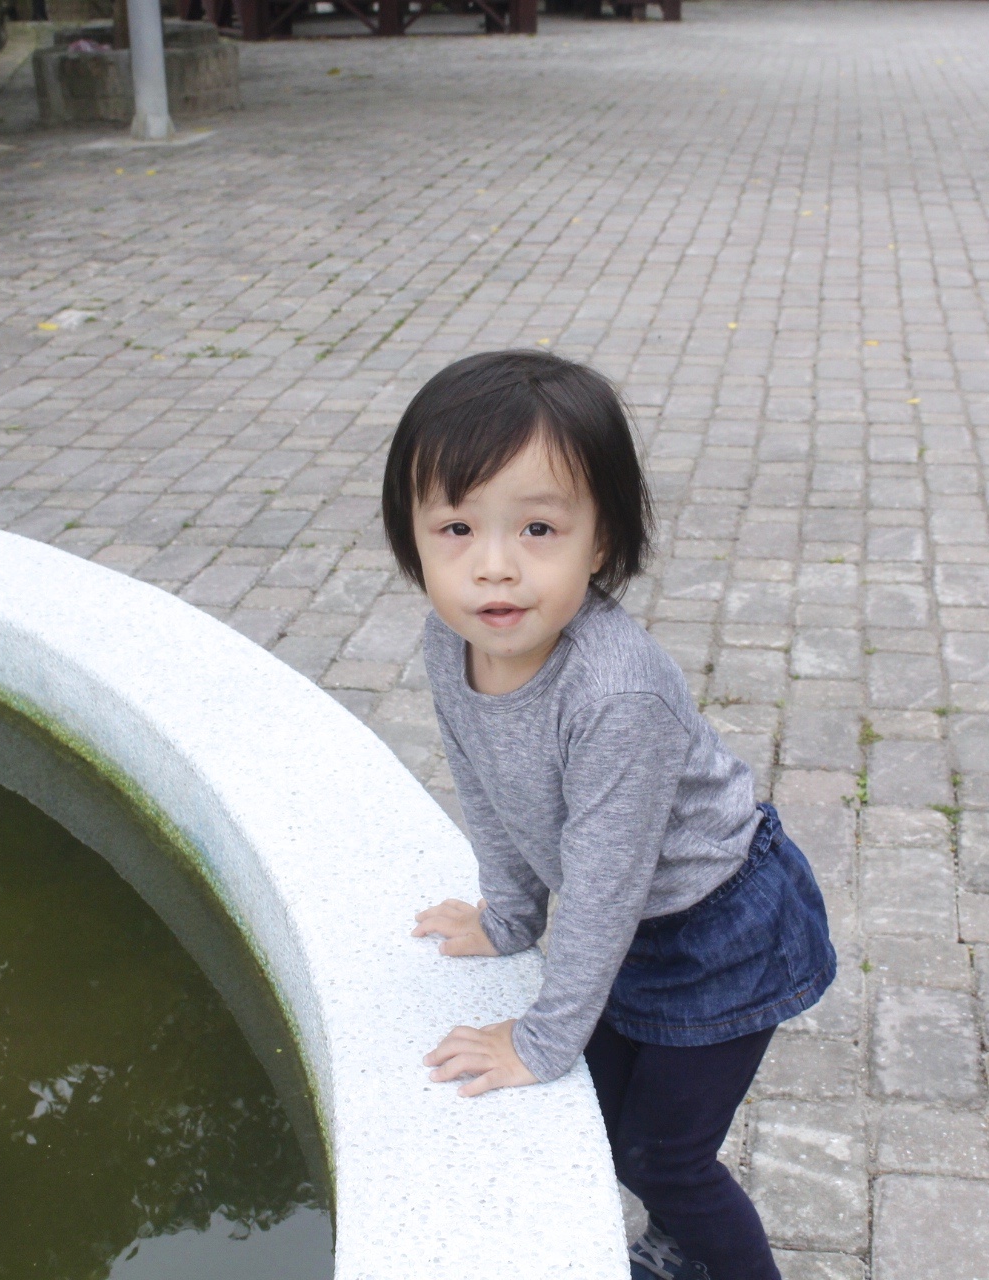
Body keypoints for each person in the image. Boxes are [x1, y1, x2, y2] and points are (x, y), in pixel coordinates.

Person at [385, 349, 837, 1280]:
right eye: (457, 527)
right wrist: (506, 919)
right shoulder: (453, 639)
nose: (494, 568)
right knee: (603, 1120)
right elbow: (488, 789)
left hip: (719, 929)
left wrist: (542, 1036)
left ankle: (711, 1255)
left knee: (664, 1158)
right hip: (629, 926)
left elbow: (603, 885)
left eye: (539, 528)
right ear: (414, 540)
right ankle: (675, 1247)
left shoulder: (613, 693)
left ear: (602, 543)